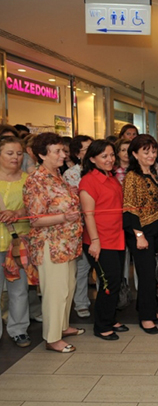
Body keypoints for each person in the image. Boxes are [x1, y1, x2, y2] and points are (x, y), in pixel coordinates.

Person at [24, 132, 84, 353]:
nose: (63, 155)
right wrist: (63, 217)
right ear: (42, 154)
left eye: (62, 150)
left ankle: (62, 326)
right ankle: (52, 337)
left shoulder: (58, 175)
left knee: (67, 287)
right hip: (50, 244)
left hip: (67, 243)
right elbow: (35, 219)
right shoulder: (36, 180)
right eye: (57, 151)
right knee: (55, 292)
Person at [79, 140, 128, 340]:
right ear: (92, 159)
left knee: (115, 281)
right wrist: (95, 241)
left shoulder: (111, 177)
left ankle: (109, 318)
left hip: (116, 237)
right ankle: (101, 325)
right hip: (99, 241)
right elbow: (88, 215)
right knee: (109, 282)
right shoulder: (88, 181)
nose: (110, 159)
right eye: (104, 156)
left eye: (111, 155)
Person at [123, 134, 158, 334]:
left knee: (152, 274)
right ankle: (146, 318)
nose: (151, 155)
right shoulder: (132, 177)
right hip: (141, 233)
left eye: (153, 151)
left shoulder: (153, 173)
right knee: (147, 275)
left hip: (156, 230)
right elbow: (129, 208)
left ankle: (148, 309)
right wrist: (139, 235)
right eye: (146, 151)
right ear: (135, 154)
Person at [0, 137, 32, 348]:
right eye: (10, 153)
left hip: (18, 244)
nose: (15, 158)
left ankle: (19, 329)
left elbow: (34, 208)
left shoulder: (28, 180)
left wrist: (17, 213)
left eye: (19, 153)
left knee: (18, 290)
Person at [63, 135, 94, 319]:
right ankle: (81, 302)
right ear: (77, 153)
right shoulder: (71, 174)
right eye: (86, 149)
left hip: (101, 225)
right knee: (82, 268)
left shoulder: (103, 171)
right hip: (80, 227)